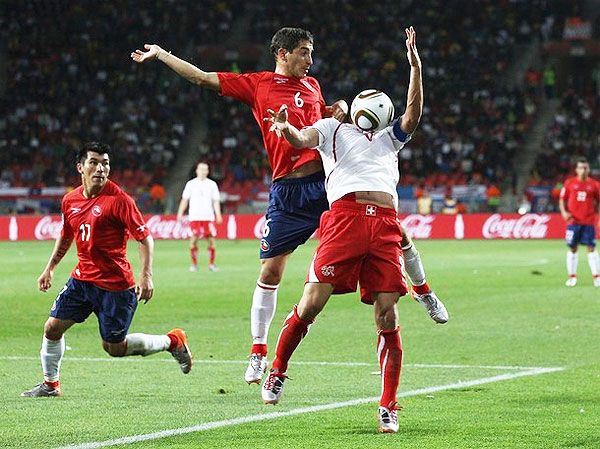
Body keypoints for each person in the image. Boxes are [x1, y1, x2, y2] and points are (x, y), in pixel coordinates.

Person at [131, 27, 445, 386]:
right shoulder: (258, 84)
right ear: (283, 53)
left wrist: (340, 108)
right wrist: (162, 54)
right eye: (304, 52)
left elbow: (326, 123)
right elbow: (202, 77)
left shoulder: (313, 86)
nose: (310, 60)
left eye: (311, 52)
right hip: (288, 191)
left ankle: (423, 290)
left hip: (326, 187)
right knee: (270, 273)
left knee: (391, 226)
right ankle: (258, 351)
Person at [261, 27, 441, 433]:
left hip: (384, 223)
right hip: (344, 219)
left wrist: (415, 68)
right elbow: (301, 138)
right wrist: (285, 129)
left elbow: (413, 114)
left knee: (387, 315)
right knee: (310, 304)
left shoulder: (390, 139)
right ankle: (277, 370)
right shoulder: (332, 128)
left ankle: (389, 405)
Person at [21, 142, 193, 398]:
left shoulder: (120, 200)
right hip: (82, 281)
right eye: (94, 163)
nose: (100, 168)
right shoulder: (70, 200)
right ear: (80, 167)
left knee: (114, 347)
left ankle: (172, 341)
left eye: (105, 163)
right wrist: (50, 268)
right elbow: (66, 235)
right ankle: (50, 385)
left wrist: (146, 275)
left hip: (115, 287)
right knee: (52, 328)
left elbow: (145, 239)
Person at [559, 157, 600, 287]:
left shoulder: (594, 184)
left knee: (591, 248)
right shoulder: (569, 183)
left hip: (588, 221)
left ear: (589, 169)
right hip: (573, 222)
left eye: (586, 168)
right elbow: (562, 199)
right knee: (572, 248)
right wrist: (564, 212)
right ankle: (572, 277)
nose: (584, 170)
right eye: (581, 168)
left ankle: (597, 277)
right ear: (576, 170)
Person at [177, 161, 223, 272]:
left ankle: (211, 264)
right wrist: (180, 213)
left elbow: (215, 201)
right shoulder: (191, 184)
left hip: (208, 217)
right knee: (193, 240)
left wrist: (218, 214)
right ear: (197, 171)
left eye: (205, 169)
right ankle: (194, 265)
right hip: (194, 217)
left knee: (211, 241)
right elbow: (185, 200)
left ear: (207, 171)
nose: (203, 171)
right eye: (201, 169)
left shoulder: (212, 184)